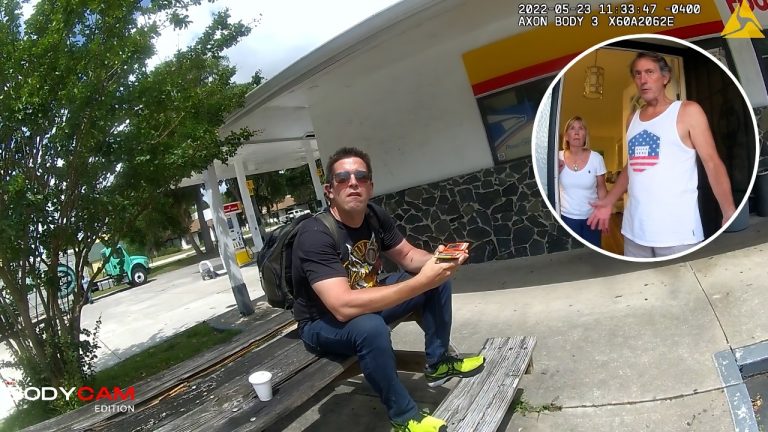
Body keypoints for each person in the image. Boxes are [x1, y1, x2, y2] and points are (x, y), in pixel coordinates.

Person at [291, 147, 485, 432]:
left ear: (370, 186)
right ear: (330, 190)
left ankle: (438, 361)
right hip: (322, 323)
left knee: (437, 278)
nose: (353, 182)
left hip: (366, 300)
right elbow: (342, 306)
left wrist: (439, 260)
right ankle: (403, 416)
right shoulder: (314, 234)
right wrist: (421, 281)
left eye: (361, 176)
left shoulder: (373, 216)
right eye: (343, 178)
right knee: (370, 328)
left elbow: (407, 257)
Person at [588, 51, 736, 258]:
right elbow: (632, 167)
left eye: (650, 72)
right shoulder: (633, 119)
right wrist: (609, 200)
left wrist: (729, 211)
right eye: (638, 74)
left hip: (678, 234)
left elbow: (712, 162)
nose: (643, 80)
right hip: (634, 232)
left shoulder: (687, 111)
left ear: (665, 78)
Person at [558, 116, 607, 247]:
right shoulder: (557, 157)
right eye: (572, 128)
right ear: (566, 136)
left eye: (581, 128)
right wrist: (556, 170)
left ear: (585, 135)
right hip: (566, 218)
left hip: (592, 218)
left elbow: (601, 188)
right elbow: (548, 184)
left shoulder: (596, 158)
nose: (577, 132)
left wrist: (603, 213)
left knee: (593, 257)